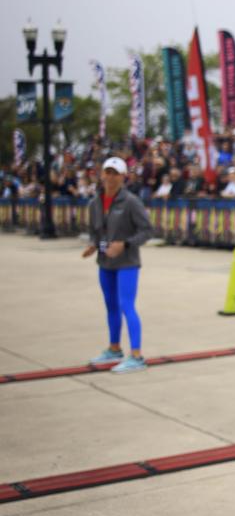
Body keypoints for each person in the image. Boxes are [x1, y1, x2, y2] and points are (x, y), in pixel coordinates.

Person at [82, 157, 154, 374]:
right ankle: (114, 349)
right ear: (102, 174)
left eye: (115, 173)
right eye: (107, 172)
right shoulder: (94, 204)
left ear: (124, 177)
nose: (110, 177)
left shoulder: (131, 202)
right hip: (105, 262)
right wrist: (94, 245)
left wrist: (126, 244)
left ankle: (137, 355)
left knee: (126, 305)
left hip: (127, 263)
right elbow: (98, 232)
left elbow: (147, 230)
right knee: (111, 306)